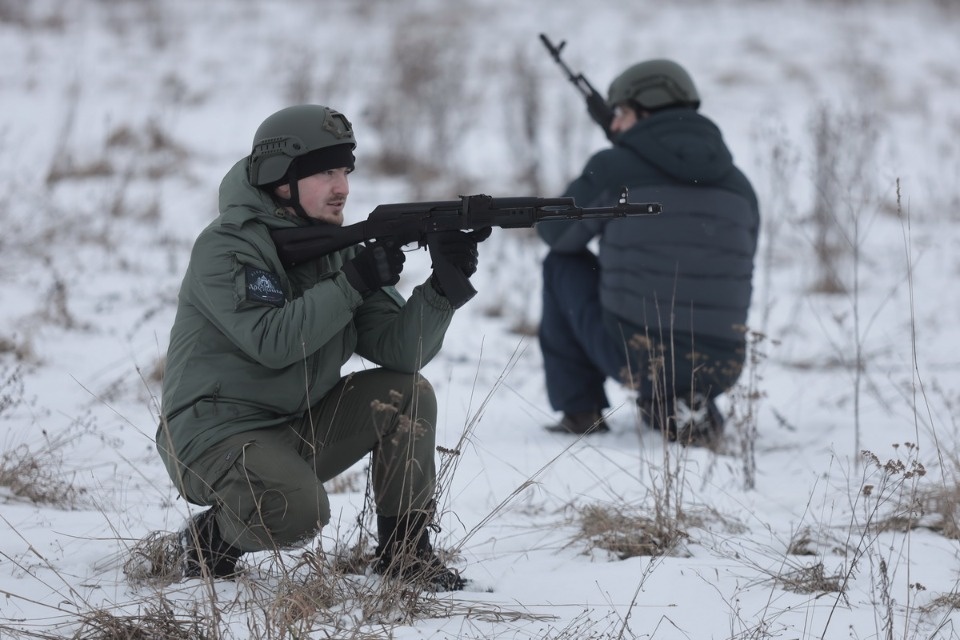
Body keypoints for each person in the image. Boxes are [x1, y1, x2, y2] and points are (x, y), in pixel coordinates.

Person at [156, 104, 485, 591]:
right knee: (297, 512)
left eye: (346, 171)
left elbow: (400, 351)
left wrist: (444, 286)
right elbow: (272, 340)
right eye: (326, 172)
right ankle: (208, 541)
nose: (343, 187)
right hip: (214, 435)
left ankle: (405, 555)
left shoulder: (337, 247)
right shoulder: (228, 246)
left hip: (294, 422)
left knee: (408, 391)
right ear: (279, 178)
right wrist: (351, 282)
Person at [537, 59, 759, 446]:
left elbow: (556, 233)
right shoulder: (740, 186)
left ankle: (580, 410)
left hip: (636, 357)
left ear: (645, 109)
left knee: (563, 264)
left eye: (621, 113)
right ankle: (689, 404)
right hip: (723, 364)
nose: (615, 125)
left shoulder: (613, 169)